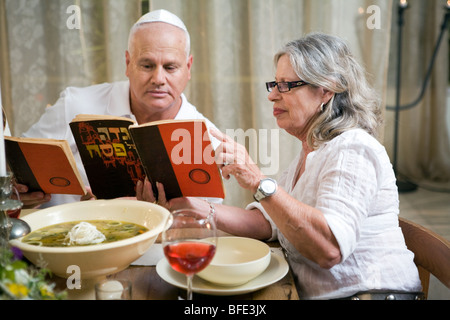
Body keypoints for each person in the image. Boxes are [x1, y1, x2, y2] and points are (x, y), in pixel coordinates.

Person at [138, 32, 423, 300]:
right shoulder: (310, 152)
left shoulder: (353, 149)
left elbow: (329, 249)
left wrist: (258, 180)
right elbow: (267, 222)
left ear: (325, 90)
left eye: (286, 85)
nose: (272, 95)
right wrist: (187, 204)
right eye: (274, 84)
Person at [17, 9, 219, 208]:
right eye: (147, 66)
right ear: (128, 63)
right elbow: (17, 165)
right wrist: (21, 193)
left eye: (170, 67)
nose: (158, 79)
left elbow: (207, 225)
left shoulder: (206, 137)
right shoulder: (75, 104)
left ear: (188, 67)